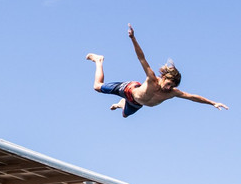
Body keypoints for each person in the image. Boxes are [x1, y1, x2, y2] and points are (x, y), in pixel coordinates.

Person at [87, 24, 228, 117]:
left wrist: (212, 103)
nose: (169, 87)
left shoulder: (173, 93)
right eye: (169, 83)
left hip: (136, 103)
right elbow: (141, 58)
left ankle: (121, 104)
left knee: (124, 115)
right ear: (164, 77)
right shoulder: (152, 78)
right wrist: (133, 38)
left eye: (172, 86)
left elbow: (192, 97)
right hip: (128, 90)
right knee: (97, 87)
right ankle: (99, 60)